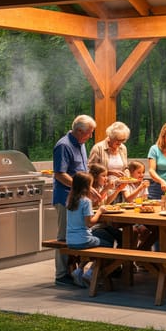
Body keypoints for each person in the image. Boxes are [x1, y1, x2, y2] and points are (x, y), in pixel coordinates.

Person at [52, 114, 97, 287]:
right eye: (89, 133)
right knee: (64, 236)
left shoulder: (81, 144)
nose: (90, 136)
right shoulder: (64, 146)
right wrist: (82, 188)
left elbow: (81, 170)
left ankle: (74, 271)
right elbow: (60, 174)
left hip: (79, 197)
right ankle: (62, 275)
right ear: (79, 131)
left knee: (77, 234)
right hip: (65, 199)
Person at [65, 171, 114, 287]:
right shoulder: (86, 201)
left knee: (101, 237)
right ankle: (91, 272)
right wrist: (100, 211)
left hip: (70, 240)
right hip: (83, 240)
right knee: (108, 245)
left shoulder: (70, 200)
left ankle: (79, 270)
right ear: (87, 187)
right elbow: (89, 223)